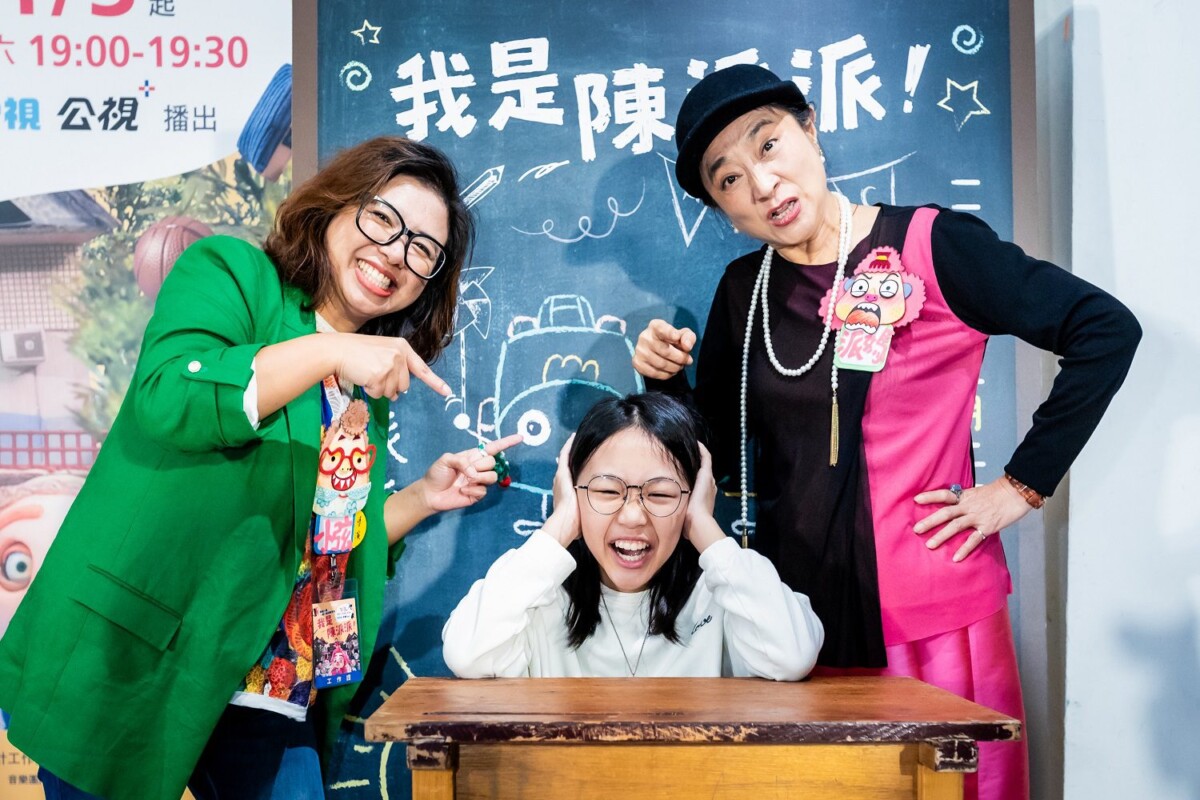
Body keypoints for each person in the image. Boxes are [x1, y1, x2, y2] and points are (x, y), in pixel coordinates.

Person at [632, 65, 1140, 800]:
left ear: (810, 131)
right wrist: (664, 381)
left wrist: (1019, 487)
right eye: (730, 180)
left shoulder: (934, 244)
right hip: (794, 627)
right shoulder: (744, 290)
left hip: (935, 622)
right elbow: (717, 458)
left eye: (768, 145)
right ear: (724, 208)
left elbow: (1105, 330)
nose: (763, 184)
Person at [0, 136, 520, 800]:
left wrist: (423, 496)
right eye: (383, 220)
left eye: (423, 249)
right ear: (335, 207)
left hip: (275, 683)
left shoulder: (362, 387)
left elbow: (326, 544)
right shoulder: (233, 273)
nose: (396, 253)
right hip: (142, 656)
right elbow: (171, 395)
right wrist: (331, 349)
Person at [442, 392, 823, 680]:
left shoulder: (726, 595)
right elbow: (466, 654)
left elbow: (792, 657)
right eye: (607, 491)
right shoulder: (536, 598)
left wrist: (705, 527)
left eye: (661, 495)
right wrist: (561, 523)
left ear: (694, 498)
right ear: (572, 491)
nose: (633, 516)